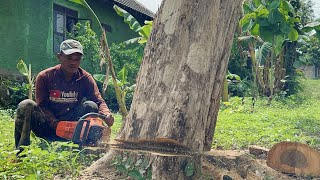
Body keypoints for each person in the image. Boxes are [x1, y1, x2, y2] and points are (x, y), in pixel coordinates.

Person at [14, 39, 114, 149]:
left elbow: (98, 100)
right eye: (69, 58)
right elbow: (42, 106)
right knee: (26, 105)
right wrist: (56, 124)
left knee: (91, 105)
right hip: (47, 126)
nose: (73, 62)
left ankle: (83, 147)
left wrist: (106, 114)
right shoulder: (45, 77)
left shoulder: (85, 78)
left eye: (77, 59)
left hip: (72, 127)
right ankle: (21, 152)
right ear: (59, 57)